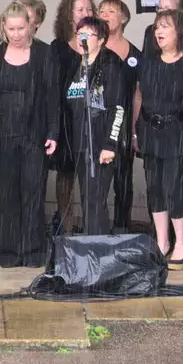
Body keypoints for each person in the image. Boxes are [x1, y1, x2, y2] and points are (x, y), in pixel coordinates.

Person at [0, 2, 60, 267]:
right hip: (3, 136)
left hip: (34, 135)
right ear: (3, 26)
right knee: (7, 195)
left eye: (21, 28)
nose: (16, 34)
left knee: (33, 193)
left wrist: (53, 131)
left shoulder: (44, 54)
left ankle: (34, 251)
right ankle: (9, 252)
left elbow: (52, 96)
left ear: (31, 26)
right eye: (11, 28)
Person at [132, 9, 183, 270]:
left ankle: (182, 244)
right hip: (150, 130)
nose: (159, 32)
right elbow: (139, 97)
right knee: (155, 188)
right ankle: (162, 242)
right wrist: (134, 131)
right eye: (157, 27)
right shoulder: (148, 61)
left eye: (165, 27)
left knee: (175, 187)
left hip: (180, 130)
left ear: (181, 32)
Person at [63, 15, 128, 235]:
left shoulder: (110, 66)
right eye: (79, 33)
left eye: (87, 34)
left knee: (95, 200)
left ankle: (98, 246)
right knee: (86, 198)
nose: (82, 38)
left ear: (100, 39)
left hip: (100, 144)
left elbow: (117, 108)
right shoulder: (75, 65)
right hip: (80, 144)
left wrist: (110, 144)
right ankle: (91, 244)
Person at [49, 0, 96, 233]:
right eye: (80, 9)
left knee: (91, 177)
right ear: (68, 15)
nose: (86, 13)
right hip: (67, 121)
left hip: (91, 119)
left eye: (89, 9)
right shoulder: (57, 49)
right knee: (66, 174)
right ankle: (66, 228)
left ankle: (91, 230)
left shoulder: (98, 48)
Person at [98, 0, 142, 230]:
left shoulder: (135, 54)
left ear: (123, 17)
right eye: (101, 11)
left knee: (123, 181)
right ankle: (98, 230)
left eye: (111, 11)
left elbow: (137, 94)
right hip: (99, 122)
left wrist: (134, 129)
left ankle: (122, 228)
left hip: (123, 123)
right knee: (97, 182)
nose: (104, 15)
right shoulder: (95, 51)